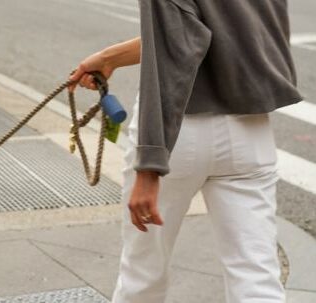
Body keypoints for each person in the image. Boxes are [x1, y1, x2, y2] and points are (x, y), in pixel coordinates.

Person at [69, 0, 302, 302]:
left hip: (178, 132)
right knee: (256, 277)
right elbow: (217, 32)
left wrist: (149, 166)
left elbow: (177, 48)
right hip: (249, 130)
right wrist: (111, 57)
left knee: (142, 275)